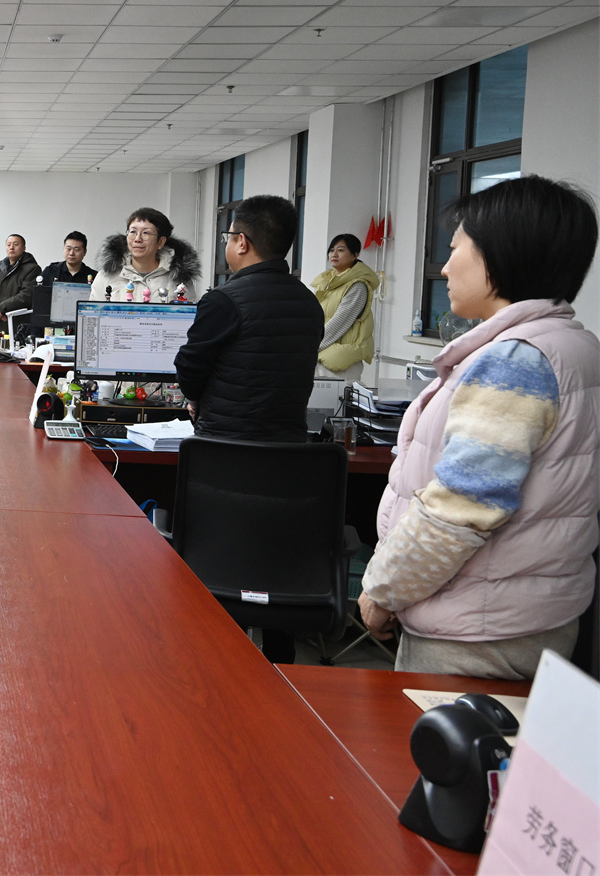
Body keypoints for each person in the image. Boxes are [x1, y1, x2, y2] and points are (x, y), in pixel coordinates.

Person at [359, 176, 599, 680]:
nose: (445, 267)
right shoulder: (569, 344)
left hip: (476, 631)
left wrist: (383, 591)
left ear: (502, 254)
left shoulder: (515, 361)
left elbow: (461, 507)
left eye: (455, 249)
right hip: (517, 615)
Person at [173, 194, 323, 665]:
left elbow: (190, 365)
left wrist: (194, 397)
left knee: (222, 556)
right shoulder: (308, 303)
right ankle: (280, 658)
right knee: (271, 555)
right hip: (288, 460)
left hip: (224, 457)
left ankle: (218, 654)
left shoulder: (224, 300)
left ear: (241, 242)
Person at [311, 233, 381, 381]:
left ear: (355, 255)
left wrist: (309, 346)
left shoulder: (358, 286)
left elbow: (339, 322)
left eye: (341, 250)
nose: (334, 254)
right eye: (331, 250)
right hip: (322, 354)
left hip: (340, 362)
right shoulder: (329, 283)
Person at [96, 208, 201, 301]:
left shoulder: (179, 277)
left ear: (160, 242)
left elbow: (189, 314)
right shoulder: (106, 276)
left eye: (146, 233)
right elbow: (93, 313)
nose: (137, 239)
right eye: (133, 232)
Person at [0, 234, 41, 338]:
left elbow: (26, 295)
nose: (11, 247)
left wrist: (2, 308)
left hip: (19, 327)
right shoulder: (0, 269)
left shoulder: (32, 269)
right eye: (8, 245)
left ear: (24, 248)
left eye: (16, 244)